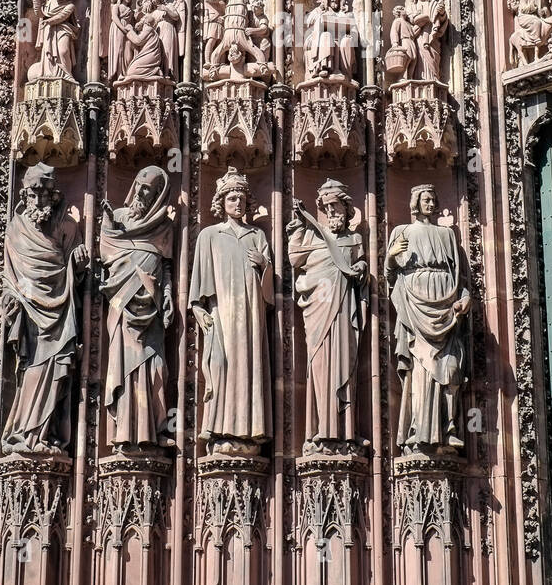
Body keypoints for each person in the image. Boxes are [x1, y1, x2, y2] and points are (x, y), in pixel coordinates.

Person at [1, 165, 88, 454]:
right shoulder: (16, 229)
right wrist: (12, 297)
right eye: (33, 194)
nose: (39, 201)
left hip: (60, 313)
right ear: (25, 194)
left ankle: (46, 433)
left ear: (54, 195)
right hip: (29, 314)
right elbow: (9, 276)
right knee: (32, 371)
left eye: (44, 194)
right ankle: (25, 433)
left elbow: (75, 266)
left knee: (56, 373)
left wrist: (78, 261)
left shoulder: (67, 227)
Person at [189, 169, 273, 452]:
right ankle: (219, 429)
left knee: (249, 366)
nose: (237, 203)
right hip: (222, 314)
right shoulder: (209, 236)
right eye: (232, 198)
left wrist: (264, 264)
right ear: (221, 201)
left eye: (242, 198)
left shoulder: (256, 236)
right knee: (221, 365)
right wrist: (199, 311)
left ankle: (249, 431)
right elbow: (198, 286)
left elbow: (270, 290)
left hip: (250, 317)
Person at [385, 185, 470, 450]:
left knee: (451, 368)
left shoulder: (446, 234)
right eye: (425, 199)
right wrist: (390, 257)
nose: (430, 203)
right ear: (415, 202)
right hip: (414, 305)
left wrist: (465, 297)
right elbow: (390, 277)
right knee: (420, 371)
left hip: (446, 307)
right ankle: (418, 428)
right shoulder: (402, 232)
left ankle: (449, 426)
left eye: (434, 199)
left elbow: (460, 276)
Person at [100, 167, 176, 447]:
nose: (142, 193)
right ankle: (125, 430)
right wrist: (108, 222)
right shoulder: (119, 218)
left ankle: (152, 428)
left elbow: (165, 265)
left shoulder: (163, 226)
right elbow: (107, 250)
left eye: (149, 190)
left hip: (152, 304)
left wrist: (167, 294)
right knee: (122, 364)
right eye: (140, 187)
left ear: (158, 195)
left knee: (156, 368)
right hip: (122, 303)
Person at [288, 180, 367, 448]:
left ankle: (345, 431)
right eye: (326, 207)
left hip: (344, 311)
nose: (331, 212)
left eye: (336, 206)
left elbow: (358, 267)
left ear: (346, 208)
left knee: (346, 364)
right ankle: (320, 428)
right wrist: (299, 227)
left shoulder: (355, 240)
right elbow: (294, 260)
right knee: (320, 367)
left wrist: (362, 267)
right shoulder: (313, 235)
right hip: (318, 311)